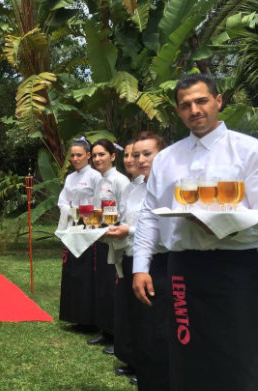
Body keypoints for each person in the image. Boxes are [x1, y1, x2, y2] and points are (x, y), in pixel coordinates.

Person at [132, 74, 258, 391]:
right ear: (178, 111)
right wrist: (140, 266)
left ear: (218, 101)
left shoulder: (254, 152)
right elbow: (148, 214)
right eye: (185, 104)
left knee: (238, 355)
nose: (194, 109)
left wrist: (233, 224)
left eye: (201, 100)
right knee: (186, 353)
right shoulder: (167, 159)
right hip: (182, 269)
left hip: (234, 268)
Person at [108, 132, 168, 389]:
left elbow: (163, 229)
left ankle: (157, 373)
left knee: (155, 325)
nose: (140, 159)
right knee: (140, 323)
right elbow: (131, 220)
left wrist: (129, 231)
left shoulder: (167, 185)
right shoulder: (136, 188)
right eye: (135, 154)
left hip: (160, 261)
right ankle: (144, 370)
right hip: (132, 256)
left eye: (147, 154)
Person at [88, 139, 130, 354]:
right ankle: (105, 329)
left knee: (114, 289)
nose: (97, 159)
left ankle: (117, 335)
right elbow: (97, 209)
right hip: (101, 237)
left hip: (115, 239)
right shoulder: (100, 180)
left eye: (102, 154)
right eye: (94, 155)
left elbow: (124, 211)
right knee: (103, 287)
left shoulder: (120, 181)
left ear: (113, 156)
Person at [57, 138, 101, 328]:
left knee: (86, 272)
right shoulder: (69, 178)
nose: (75, 159)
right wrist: (69, 210)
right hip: (72, 225)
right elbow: (63, 200)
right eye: (72, 155)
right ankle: (73, 315)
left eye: (79, 155)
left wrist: (82, 212)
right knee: (72, 270)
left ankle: (88, 318)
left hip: (90, 226)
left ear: (88, 156)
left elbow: (100, 202)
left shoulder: (95, 177)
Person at [110, 139, 142, 381]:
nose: (132, 160)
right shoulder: (131, 187)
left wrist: (127, 230)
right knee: (130, 311)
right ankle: (133, 360)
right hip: (127, 252)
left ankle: (146, 367)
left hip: (147, 255)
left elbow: (150, 224)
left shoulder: (153, 186)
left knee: (145, 314)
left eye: (139, 155)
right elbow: (123, 217)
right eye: (129, 155)